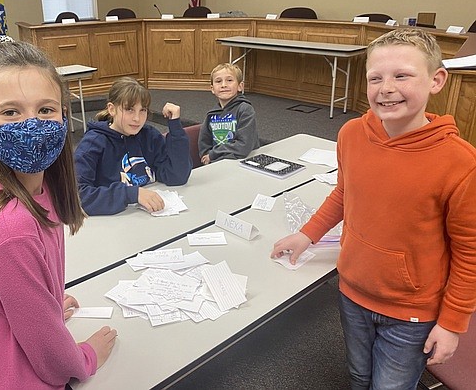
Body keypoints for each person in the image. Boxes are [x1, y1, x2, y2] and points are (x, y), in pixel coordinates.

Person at [271, 28, 476, 389]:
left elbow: (469, 252)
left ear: (436, 80)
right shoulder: (351, 134)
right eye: (375, 78)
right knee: (359, 376)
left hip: (412, 313)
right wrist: (308, 234)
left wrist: (452, 324)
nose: (386, 88)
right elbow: (344, 194)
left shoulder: (460, 163)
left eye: (402, 75)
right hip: (353, 292)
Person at [0, 39, 117, 389]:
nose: (32, 125)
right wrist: (86, 355)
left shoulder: (34, 186)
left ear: (63, 115)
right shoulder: (9, 228)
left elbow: (8, 289)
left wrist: (46, 307)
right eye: (11, 112)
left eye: (45, 110)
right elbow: (53, 361)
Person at [74, 77, 192, 215]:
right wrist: (132, 194)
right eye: (129, 109)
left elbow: (177, 176)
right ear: (112, 109)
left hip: (148, 217)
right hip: (114, 223)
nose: (137, 118)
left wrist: (175, 127)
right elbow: (78, 197)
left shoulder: (149, 136)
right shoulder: (93, 144)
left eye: (142, 110)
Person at [198, 63, 260, 165]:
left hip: (244, 162)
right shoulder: (211, 115)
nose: (223, 85)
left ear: (240, 86)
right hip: (217, 163)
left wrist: (213, 154)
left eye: (229, 80)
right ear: (212, 88)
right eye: (218, 81)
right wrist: (209, 157)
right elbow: (204, 144)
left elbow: (244, 146)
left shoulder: (245, 110)